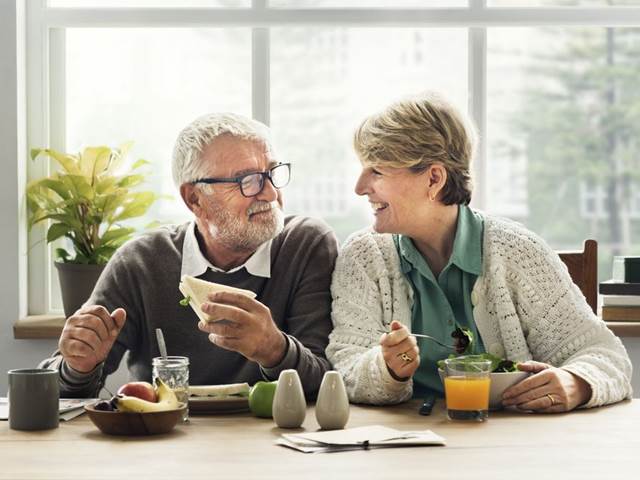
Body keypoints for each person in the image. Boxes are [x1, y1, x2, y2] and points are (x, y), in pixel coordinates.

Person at [326, 92, 632, 412]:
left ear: (434, 178)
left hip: (510, 445)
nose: (360, 187)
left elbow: (605, 355)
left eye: (376, 171)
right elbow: (344, 367)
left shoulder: (519, 252)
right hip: (400, 447)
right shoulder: (363, 256)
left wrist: (577, 381)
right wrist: (387, 368)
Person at [41, 113, 338, 398]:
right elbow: (61, 393)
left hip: (272, 438)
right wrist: (77, 366)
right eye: (248, 180)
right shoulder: (141, 262)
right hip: (163, 438)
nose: (271, 194)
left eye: (272, 173)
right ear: (194, 198)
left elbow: (328, 385)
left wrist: (274, 349)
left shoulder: (305, 245)